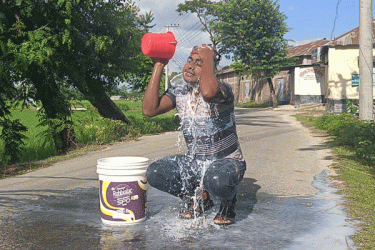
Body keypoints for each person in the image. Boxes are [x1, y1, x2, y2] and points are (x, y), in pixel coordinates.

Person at [142, 44, 246, 225]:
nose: (190, 66)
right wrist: (159, 65)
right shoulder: (179, 92)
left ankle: (228, 203)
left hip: (228, 162)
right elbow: (150, 110)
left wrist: (208, 57)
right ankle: (199, 197)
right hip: (197, 162)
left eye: (200, 63)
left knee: (217, 180)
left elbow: (208, 93)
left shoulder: (223, 91)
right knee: (155, 173)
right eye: (190, 60)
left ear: (211, 68)